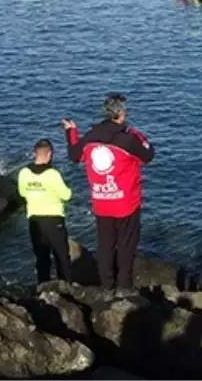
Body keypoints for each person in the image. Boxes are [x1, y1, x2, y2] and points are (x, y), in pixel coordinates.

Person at [62, 94, 155, 290]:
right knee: (126, 245)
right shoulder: (128, 139)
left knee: (104, 245)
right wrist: (136, 134)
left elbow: (74, 155)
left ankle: (106, 285)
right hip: (126, 203)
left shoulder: (90, 137)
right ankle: (123, 286)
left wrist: (71, 132)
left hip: (101, 202)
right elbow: (148, 155)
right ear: (122, 113)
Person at [17, 139, 73, 283]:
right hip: (53, 219)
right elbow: (66, 195)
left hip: (35, 219)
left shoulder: (24, 172)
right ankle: (65, 285)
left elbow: (23, 193)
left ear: (34, 154)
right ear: (49, 154)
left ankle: (43, 286)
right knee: (61, 257)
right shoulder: (52, 174)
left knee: (42, 257)